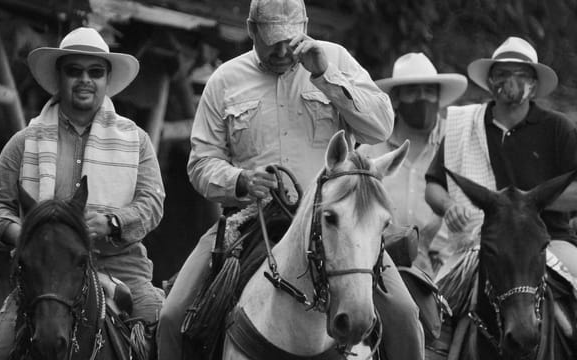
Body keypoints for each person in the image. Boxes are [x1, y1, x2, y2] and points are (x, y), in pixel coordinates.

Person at [157, 0, 425, 359]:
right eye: (272, 41)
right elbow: (200, 163)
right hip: (251, 220)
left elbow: (381, 126)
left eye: (290, 40)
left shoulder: (335, 59)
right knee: (172, 318)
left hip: (336, 219)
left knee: (406, 317)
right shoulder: (224, 80)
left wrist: (325, 75)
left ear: (305, 26)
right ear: (252, 31)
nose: (283, 51)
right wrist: (240, 180)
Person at [0, 27, 165, 359]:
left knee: (161, 338)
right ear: (59, 77)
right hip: (44, 277)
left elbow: (152, 203)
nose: (84, 80)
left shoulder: (136, 141)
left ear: (106, 80)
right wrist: (25, 235)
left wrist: (113, 222)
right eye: (74, 71)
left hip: (122, 268)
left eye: (95, 72)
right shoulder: (23, 142)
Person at [425, 36, 577, 281]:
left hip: (549, 241)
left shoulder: (558, 127)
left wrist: (529, 202)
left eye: (521, 74)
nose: (510, 81)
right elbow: (433, 186)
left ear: (534, 86)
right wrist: (449, 206)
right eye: (502, 73)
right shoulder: (464, 125)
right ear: (489, 81)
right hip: (481, 242)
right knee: (437, 303)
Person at [362, 52, 467, 276]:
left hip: (451, 268)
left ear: (439, 97)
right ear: (397, 99)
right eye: (412, 91)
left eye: (429, 91)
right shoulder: (370, 151)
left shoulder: (460, 142)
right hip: (383, 267)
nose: (422, 98)